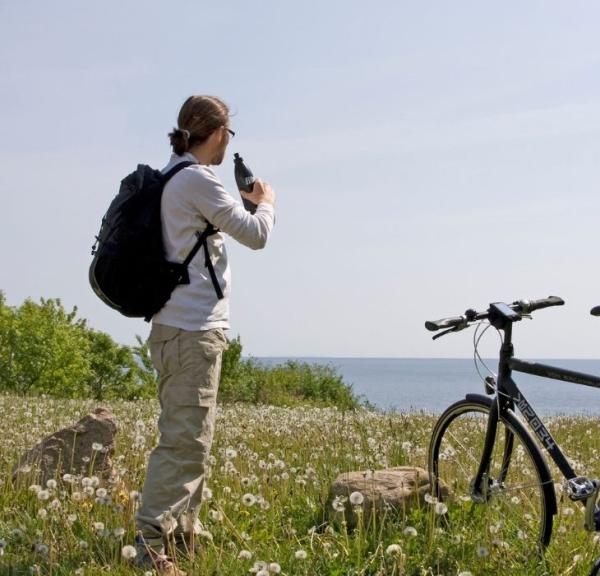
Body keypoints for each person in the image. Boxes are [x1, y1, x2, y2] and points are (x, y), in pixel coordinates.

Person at [134, 95, 276, 575]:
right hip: (192, 329)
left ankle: (181, 536)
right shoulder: (197, 179)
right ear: (217, 132)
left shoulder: (172, 175)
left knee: (192, 438)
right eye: (228, 136)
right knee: (183, 441)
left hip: (174, 327)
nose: (227, 146)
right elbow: (255, 235)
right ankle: (152, 550)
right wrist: (266, 205)